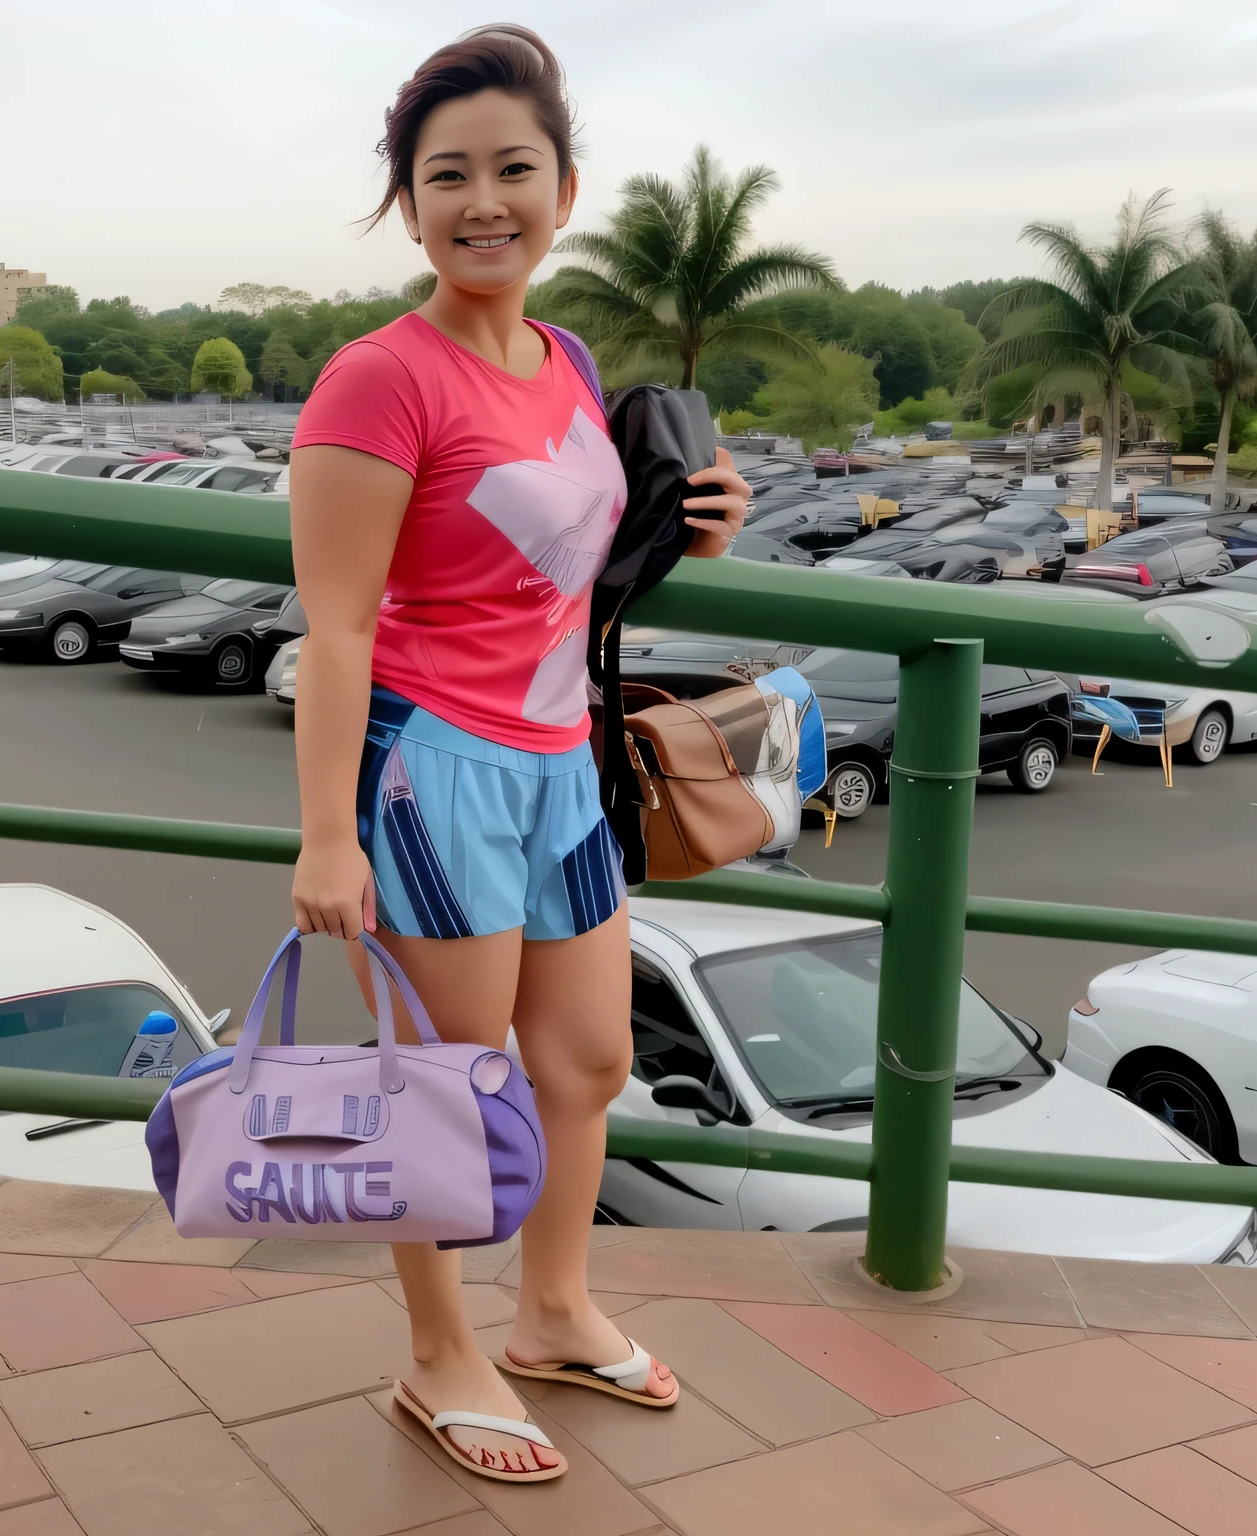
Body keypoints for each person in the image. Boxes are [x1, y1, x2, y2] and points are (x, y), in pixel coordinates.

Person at [288, 24, 751, 1484]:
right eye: (448, 177)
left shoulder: (566, 359)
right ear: (406, 202)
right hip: (436, 768)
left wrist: (690, 525)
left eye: (512, 169)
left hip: (563, 764)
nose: (484, 201)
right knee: (447, 1083)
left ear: (564, 185)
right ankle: (439, 1353)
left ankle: (551, 1310)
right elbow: (341, 630)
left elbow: (558, 562)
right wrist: (325, 835)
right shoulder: (379, 379)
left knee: (588, 1058)